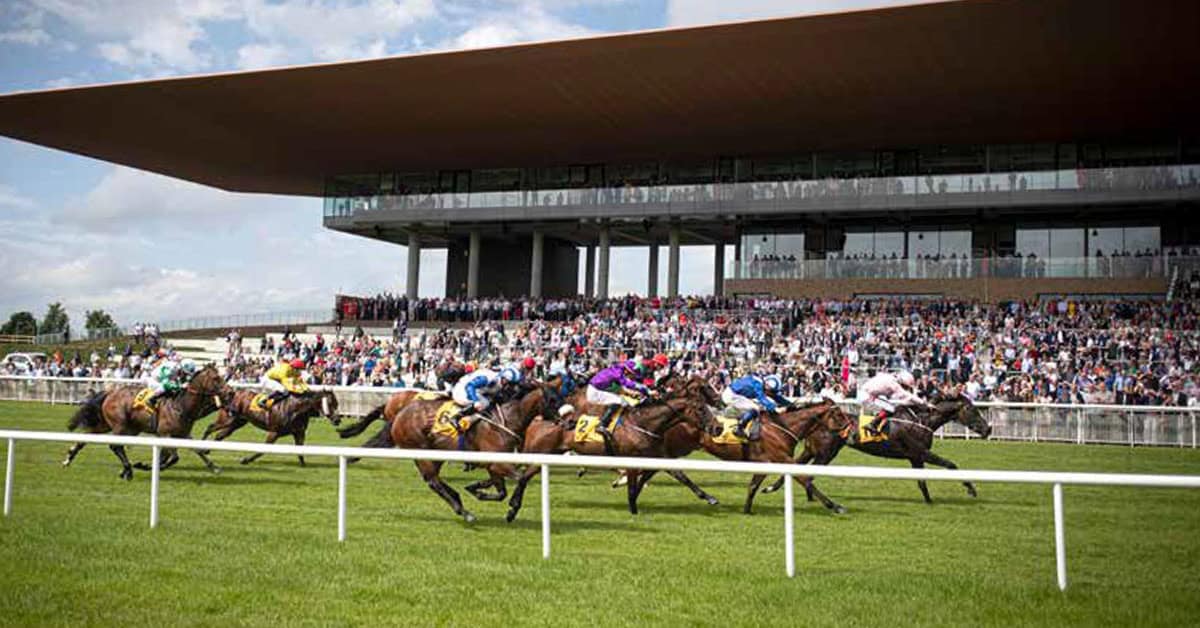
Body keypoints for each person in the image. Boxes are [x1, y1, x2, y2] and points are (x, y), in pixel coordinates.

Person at [586, 359, 654, 436]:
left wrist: (641, 392)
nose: (631, 376)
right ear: (627, 371)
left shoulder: (617, 370)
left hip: (596, 390)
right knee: (620, 401)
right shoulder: (617, 373)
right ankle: (602, 425)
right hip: (595, 392)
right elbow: (629, 384)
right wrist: (647, 391)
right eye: (631, 374)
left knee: (622, 401)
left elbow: (624, 388)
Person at [857, 369, 930, 435]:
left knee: (889, 405)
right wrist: (923, 402)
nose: (904, 388)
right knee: (890, 408)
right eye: (904, 386)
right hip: (866, 396)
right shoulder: (894, 384)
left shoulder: (891, 378)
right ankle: (872, 424)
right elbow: (907, 395)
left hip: (868, 393)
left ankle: (877, 424)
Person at [450, 366, 522, 433]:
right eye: (510, 383)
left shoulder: (500, 380)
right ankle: (456, 417)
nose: (510, 386)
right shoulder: (489, 379)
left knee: (491, 401)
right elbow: (470, 386)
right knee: (484, 403)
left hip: (476, 390)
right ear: (504, 378)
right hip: (462, 390)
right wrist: (475, 401)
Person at [722, 373, 789, 439]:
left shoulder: (762, 383)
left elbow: (775, 397)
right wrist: (775, 408)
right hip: (731, 395)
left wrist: (790, 404)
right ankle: (739, 428)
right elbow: (762, 398)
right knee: (756, 408)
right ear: (767, 385)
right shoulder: (758, 384)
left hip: (735, 394)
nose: (770, 393)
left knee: (757, 406)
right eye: (771, 391)